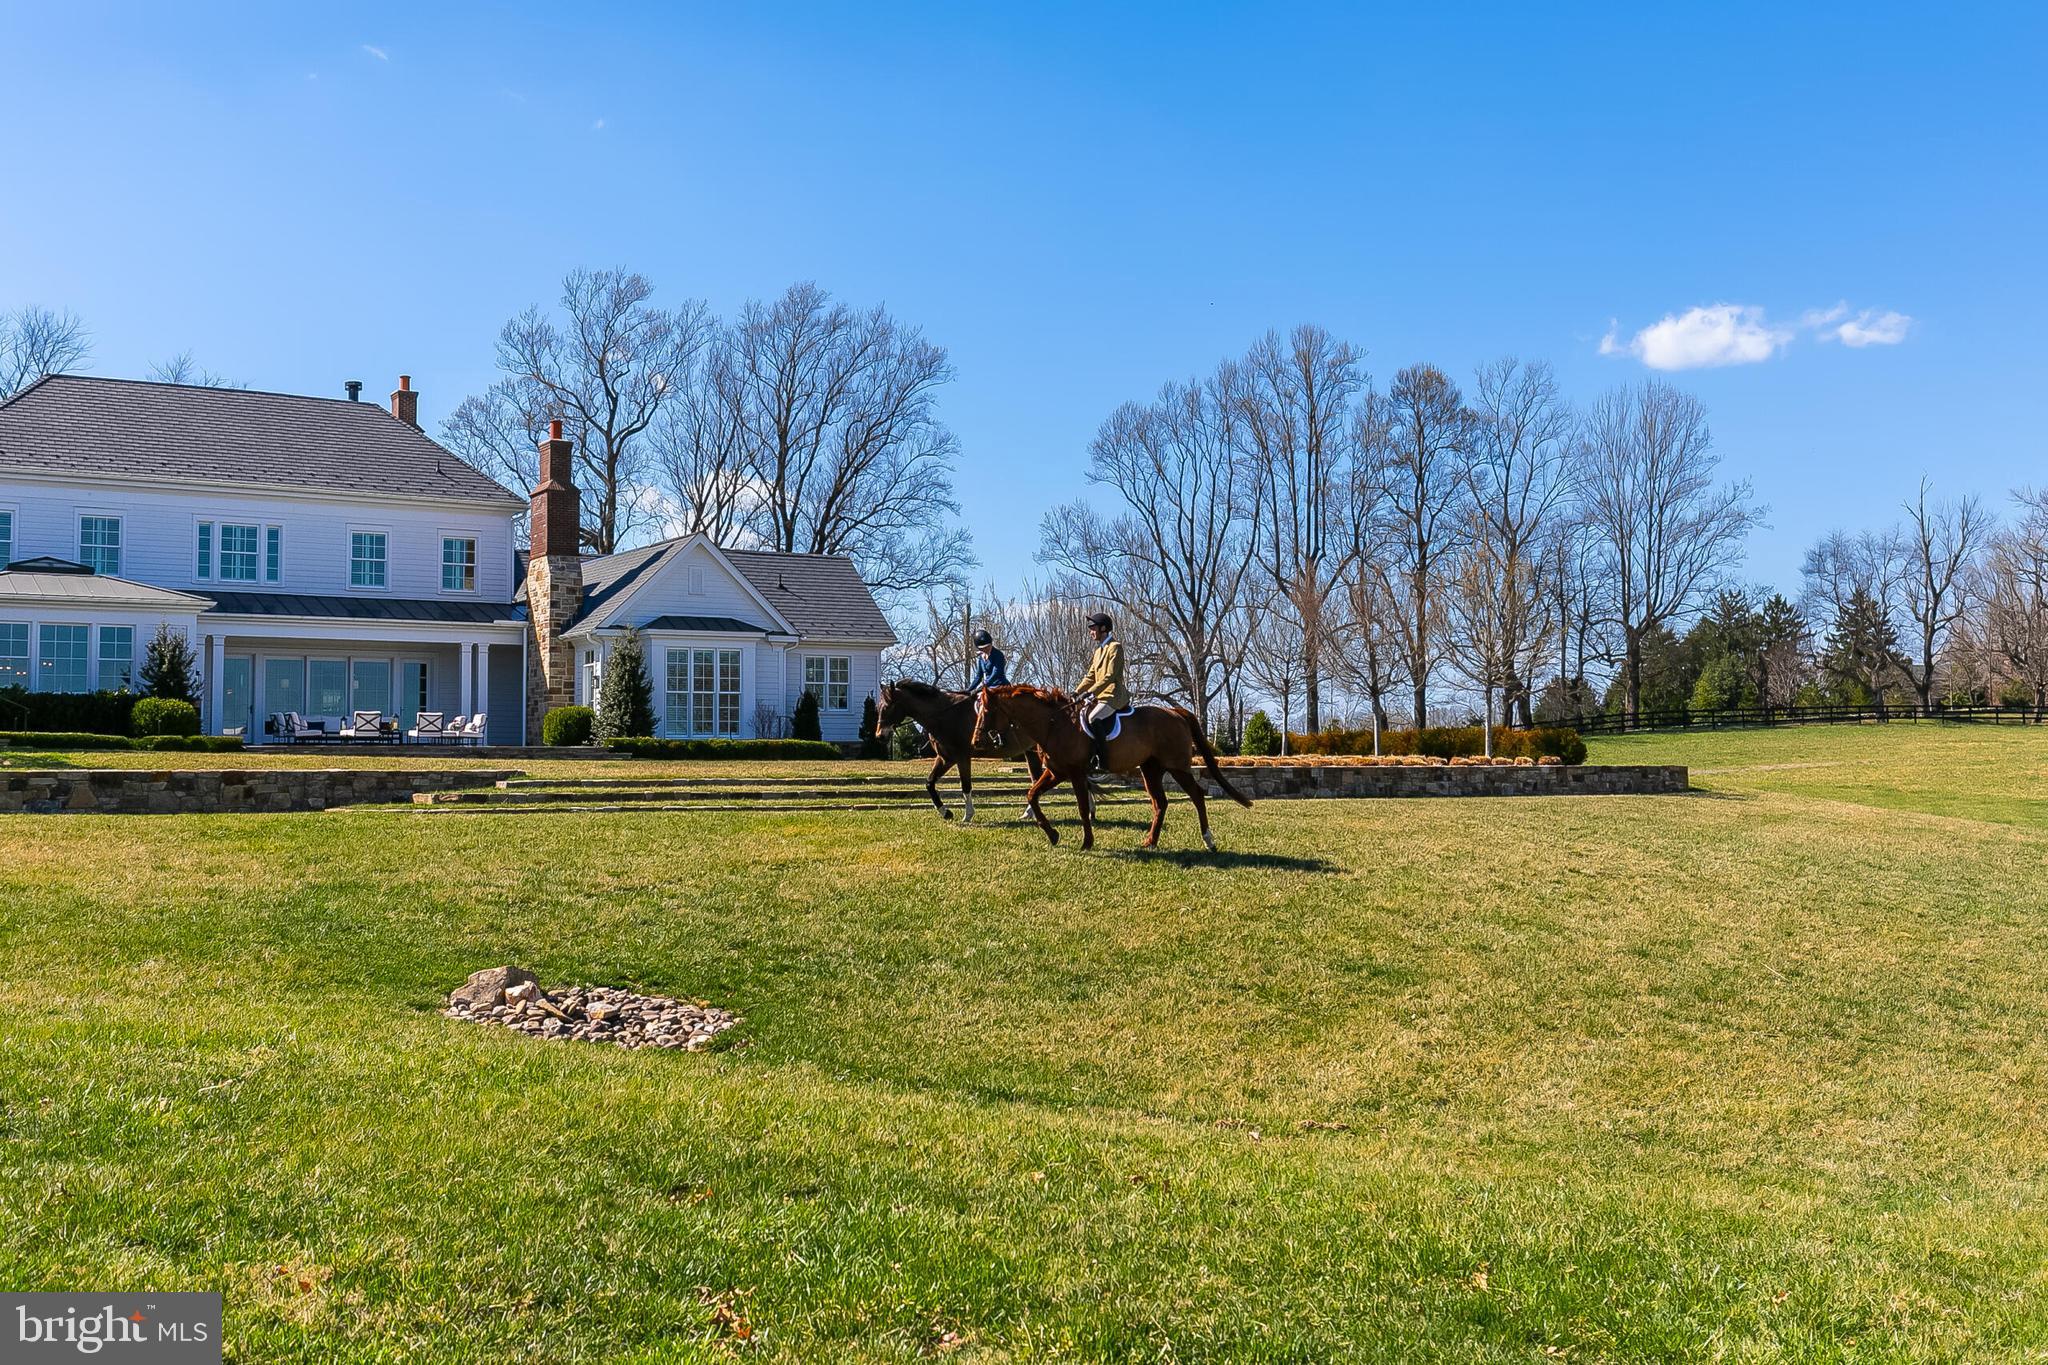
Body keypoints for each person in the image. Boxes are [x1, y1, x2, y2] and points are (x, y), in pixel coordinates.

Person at [1073, 611, 1129, 770]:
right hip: (1099, 696)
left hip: (1113, 695)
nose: (1090, 631)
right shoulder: (1098, 651)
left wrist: (1090, 692)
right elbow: (1090, 676)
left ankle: (1103, 760)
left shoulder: (1115, 648)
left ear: (1103, 628)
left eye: (1092, 627)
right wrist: (1076, 692)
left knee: (1093, 717)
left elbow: (1110, 677)